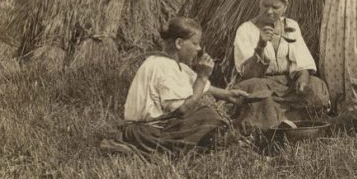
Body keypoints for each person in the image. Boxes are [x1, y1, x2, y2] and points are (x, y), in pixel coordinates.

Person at [102, 16, 249, 155]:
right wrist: (203, 76)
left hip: (150, 128)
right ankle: (137, 147)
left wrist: (228, 95)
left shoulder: (176, 66)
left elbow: (205, 88)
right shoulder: (163, 66)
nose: (199, 49)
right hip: (146, 131)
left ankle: (194, 146)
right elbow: (183, 110)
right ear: (179, 43)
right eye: (195, 43)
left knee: (207, 117)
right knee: (208, 117)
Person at [233, 0, 330, 131]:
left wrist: (303, 78)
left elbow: (302, 59)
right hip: (263, 82)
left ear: (285, 8)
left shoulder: (291, 26)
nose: (269, 11)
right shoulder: (246, 30)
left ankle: (293, 120)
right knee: (258, 90)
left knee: (315, 85)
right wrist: (260, 46)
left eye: (275, 7)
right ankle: (272, 125)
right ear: (259, 3)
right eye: (265, 5)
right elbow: (248, 74)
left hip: (288, 84)